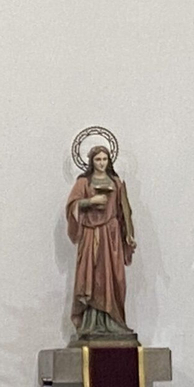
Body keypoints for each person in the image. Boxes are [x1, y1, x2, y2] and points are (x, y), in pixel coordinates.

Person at [66, 145, 137, 342]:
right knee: (91, 276)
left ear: (109, 161)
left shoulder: (116, 182)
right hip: (91, 235)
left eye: (105, 159)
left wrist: (128, 235)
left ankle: (114, 322)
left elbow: (125, 211)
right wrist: (90, 201)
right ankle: (91, 323)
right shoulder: (83, 182)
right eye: (98, 160)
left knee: (114, 279)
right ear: (91, 161)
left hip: (111, 236)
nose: (101, 163)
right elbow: (72, 205)